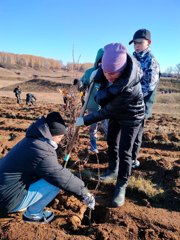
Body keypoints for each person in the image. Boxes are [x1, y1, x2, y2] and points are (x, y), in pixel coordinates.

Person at [75, 43, 145, 207]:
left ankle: (121, 185)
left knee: (125, 151)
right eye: (106, 72)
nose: (109, 77)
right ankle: (113, 169)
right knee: (111, 142)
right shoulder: (107, 68)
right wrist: (96, 75)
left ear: (121, 69)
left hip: (131, 116)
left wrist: (84, 120)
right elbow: (103, 77)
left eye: (113, 74)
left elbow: (106, 110)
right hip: (115, 114)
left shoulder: (130, 86)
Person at [0, 112, 95, 223]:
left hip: (5, 192)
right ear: (51, 134)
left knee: (49, 178)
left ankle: (27, 204)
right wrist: (84, 193)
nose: (60, 140)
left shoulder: (33, 141)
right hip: (7, 200)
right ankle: (33, 215)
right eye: (59, 137)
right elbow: (60, 176)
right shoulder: (41, 151)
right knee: (55, 183)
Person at [129, 29, 160, 168]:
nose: (136, 45)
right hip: (128, 100)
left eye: (140, 42)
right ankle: (123, 156)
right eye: (134, 43)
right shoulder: (131, 58)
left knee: (136, 131)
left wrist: (131, 95)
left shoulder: (151, 61)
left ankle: (132, 159)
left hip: (141, 103)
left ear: (149, 43)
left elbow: (148, 86)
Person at [79, 48, 108, 153]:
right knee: (93, 128)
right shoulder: (90, 72)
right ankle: (93, 145)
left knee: (108, 128)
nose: (103, 62)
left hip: (106, 107)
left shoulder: (111, 71)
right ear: (98, 59)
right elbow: (82, 84)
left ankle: (113, 147)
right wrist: (80, 85)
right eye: (101, 59)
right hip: (92, 105)